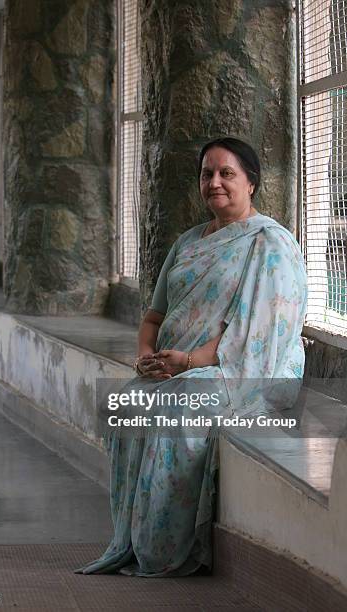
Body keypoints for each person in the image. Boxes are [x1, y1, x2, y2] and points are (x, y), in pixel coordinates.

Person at [75, 136, 308, 577]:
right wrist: (145, 357)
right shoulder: (188, 244)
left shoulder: (271, 245)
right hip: (175, 365)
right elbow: (153, 317)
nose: (215, 183)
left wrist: (188, 362)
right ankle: (132, 538)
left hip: (248, 369)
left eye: (227, 174)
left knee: (175, 409)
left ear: (251, 182)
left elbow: (259, 335)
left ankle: (163, 547)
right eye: (207, 174)